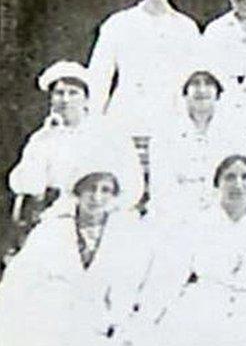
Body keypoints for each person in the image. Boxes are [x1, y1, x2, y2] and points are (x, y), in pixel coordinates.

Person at [108, 155, 246, 346]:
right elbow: (169, 277)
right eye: (229, 177)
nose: (238, 184)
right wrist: (148, 318)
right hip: (206, 299)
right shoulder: (197, 224)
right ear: (217, 184)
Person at [0, 169, 154, 346]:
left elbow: (127, 284)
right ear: (77, 193)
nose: (97, 197)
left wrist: (117, 321)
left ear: (114, 197)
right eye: (90, 189)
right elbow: (23, 276)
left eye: (105, 191)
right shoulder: (51, 229)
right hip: (53, 307)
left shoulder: (126, 233)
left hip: (98, 313)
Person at [8, 61, 145, 225]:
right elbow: (30, 186)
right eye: (59, 93)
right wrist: (44, 140)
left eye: (73, 93)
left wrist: (107, 210)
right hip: (59, 217)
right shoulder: (43, 138)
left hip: (107, 216)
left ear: (86, 99)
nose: (66, 100)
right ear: (51, 100)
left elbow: (132, 184)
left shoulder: (110, 134)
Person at [87, 0, 201, 138]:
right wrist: (94, 118)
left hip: (170, 113)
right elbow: (100, 74)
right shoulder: (119, 23)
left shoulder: (185, 27)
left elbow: (194, 75)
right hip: (127, 112)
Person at [149, 65, 241, 221]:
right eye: (195, 83)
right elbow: (162, 185)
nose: (202, 89)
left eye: (208, 83)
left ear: (218, 93)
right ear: (184, 93)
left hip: (220, 211)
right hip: (174, 212)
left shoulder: (234, 133)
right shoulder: (165, 133)